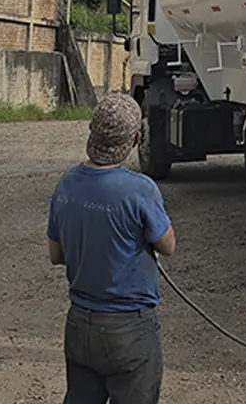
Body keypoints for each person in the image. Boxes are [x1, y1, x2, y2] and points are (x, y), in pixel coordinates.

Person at [47, 93, 175, 404]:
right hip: (129, 329)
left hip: (79, 325)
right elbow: (167, 245)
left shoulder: (66, 185)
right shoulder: (140, 190)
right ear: (134, 139)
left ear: (92, 130)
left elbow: (56, 256)